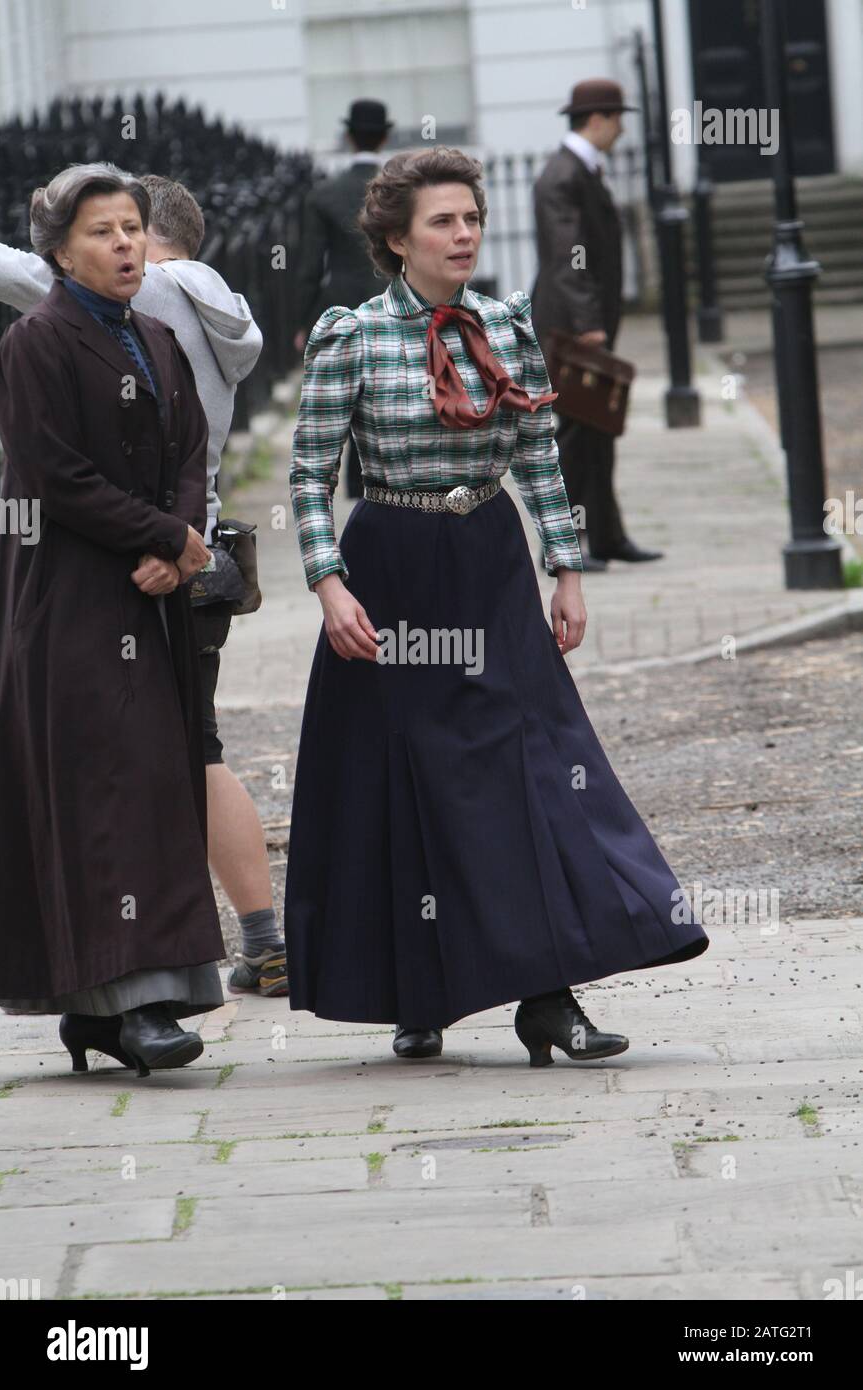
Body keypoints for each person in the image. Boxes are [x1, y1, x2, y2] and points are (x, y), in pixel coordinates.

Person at [283, 146, 708, 1064]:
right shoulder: (350, 339)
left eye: (471, 217)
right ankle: (416, 990)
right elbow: (310, 477)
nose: (465, 232)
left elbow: (541, 460)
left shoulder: (508, 328)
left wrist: (567, 568)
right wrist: (327, 584)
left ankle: (548, 999)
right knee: (405, 784)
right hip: (389, 570)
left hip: (489, 561)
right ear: (397, 241)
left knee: (531, 772)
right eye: (444, 221)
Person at [0, 168, 287, 1001]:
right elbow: (76, 467)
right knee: (154, 760)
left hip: (153, 571)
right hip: (134, 570)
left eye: (130, 228)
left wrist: (173, 540)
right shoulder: (49, 341)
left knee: (165, 765)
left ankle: (170, 974)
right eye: (103, 230)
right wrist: (174, 535)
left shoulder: (148, 327)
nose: (123, 245)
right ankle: (157, 977)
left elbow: (179, 449)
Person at [532, 78, 663, 571]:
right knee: (576, 434)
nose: (622, 128)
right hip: (570, 327)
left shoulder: (579, 171)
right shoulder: (562, 176)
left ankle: (606, 536)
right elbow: (569, 258)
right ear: (598, 120)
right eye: (618, 118)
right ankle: (561, 545)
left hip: (582, 323)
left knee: (598, 428)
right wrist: (589, 323)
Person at [293, 99, 394, 498]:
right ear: (385, 135)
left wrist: (303, 322)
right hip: (392, 300)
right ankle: (378, 479)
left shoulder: (323, 196)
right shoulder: (398, 191)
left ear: (348, 135)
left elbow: (308, 268)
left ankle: (350, 488)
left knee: (346, 395)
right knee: (388, 393)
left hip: (340, 307)